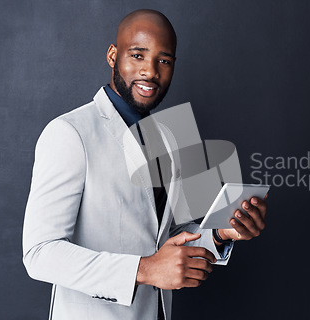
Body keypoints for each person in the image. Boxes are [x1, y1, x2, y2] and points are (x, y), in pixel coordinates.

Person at [22, 9, 267, 320]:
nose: (150, 71)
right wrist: (144, 269)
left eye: (164, 61)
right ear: (113, 55)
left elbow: (171, 236)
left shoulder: (173, 134)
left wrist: (223, 232)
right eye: (138, 55)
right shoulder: (70, 133)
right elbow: (40, 253)